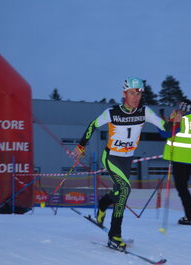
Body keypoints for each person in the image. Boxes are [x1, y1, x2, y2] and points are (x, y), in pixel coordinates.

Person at [73, 77, 173, 251]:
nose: (136, 97)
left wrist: (173, 123)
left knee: (119, 191)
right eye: (132, 93)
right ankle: (114, 236)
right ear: (124, 94)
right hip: (111, 157)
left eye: (139, 93)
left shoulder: (145, 112)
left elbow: (166, 130)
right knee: (125, 190)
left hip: (127, 159)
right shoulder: (112, 112)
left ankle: (103, 205)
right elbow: (92, 125)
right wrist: (81, 146)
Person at [161, 102, 191, 225]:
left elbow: (166, 133)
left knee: (182, 189)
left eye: (176, 111)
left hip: (179, 158)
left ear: (182, 111)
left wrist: (163, 124)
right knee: (183, 189)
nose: (174, 113)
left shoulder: (182, 120)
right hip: (189, 159)